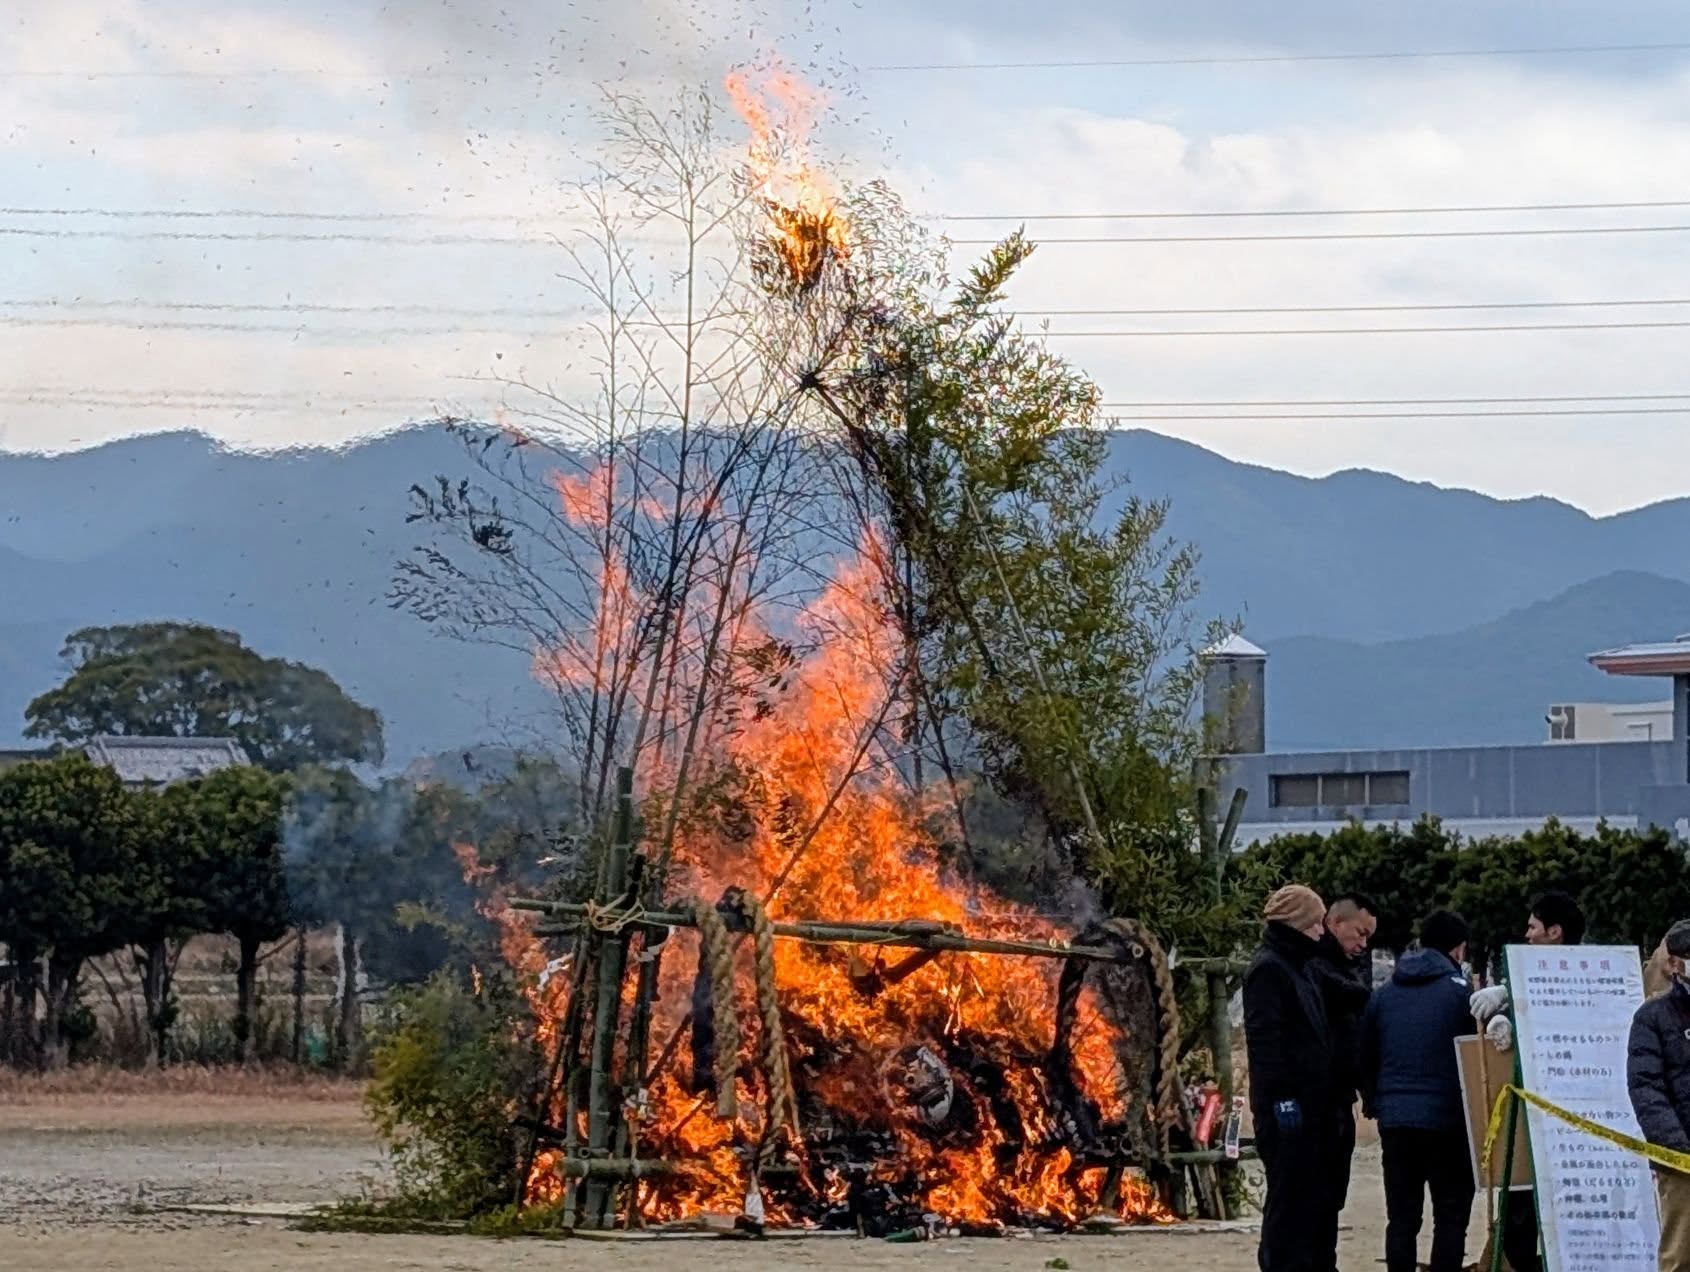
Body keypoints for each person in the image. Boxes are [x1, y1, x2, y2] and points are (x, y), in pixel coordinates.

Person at [1468, 889, 1587, 1272]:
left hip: (1574, 1132)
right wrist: (1506, 1019)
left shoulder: (1590, 983)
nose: (1528, 934)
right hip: (1525, 1125)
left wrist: (1509, 997)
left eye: (1534, 926)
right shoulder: (1521, 980)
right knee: (1519, 1211)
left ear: (1555, 932)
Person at [1361, 910, 1477, 1272]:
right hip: (1448, 1122)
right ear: (1458, 950)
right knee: (1451, 1215)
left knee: (1403, 1218)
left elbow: (1366, 1053)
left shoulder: (1385, 994)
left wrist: (1373, 1101)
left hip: (1396, 1122)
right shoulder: (1461, 994)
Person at [1244, 884, 1336, 1272]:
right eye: (1315, 924)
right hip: (1287, 1109)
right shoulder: (1268, 969)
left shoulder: (1303, 967)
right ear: (1298, 924)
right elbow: (1267, 1044)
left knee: (1312, 1201)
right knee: (1287, 1202)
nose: (1321, 932)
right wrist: (1282, 1098)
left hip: (1315, 1107)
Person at [1309, 890, 1379, 1260]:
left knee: (1335, 1191)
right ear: (1334, 924)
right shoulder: (1314, 967)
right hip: (1316, 1093)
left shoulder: (1356, 965)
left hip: (1343, 1095)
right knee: (1313, 1193)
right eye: (1360, 933)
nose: (1364, 944)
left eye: (1369, 936)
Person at [1628, 919, 1690, 1272]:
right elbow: (1646, 1089)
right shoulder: (1653, 1017)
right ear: (1673, 964)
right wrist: (1678, 1150)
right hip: (1682, 1165)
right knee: (1680, 1256)